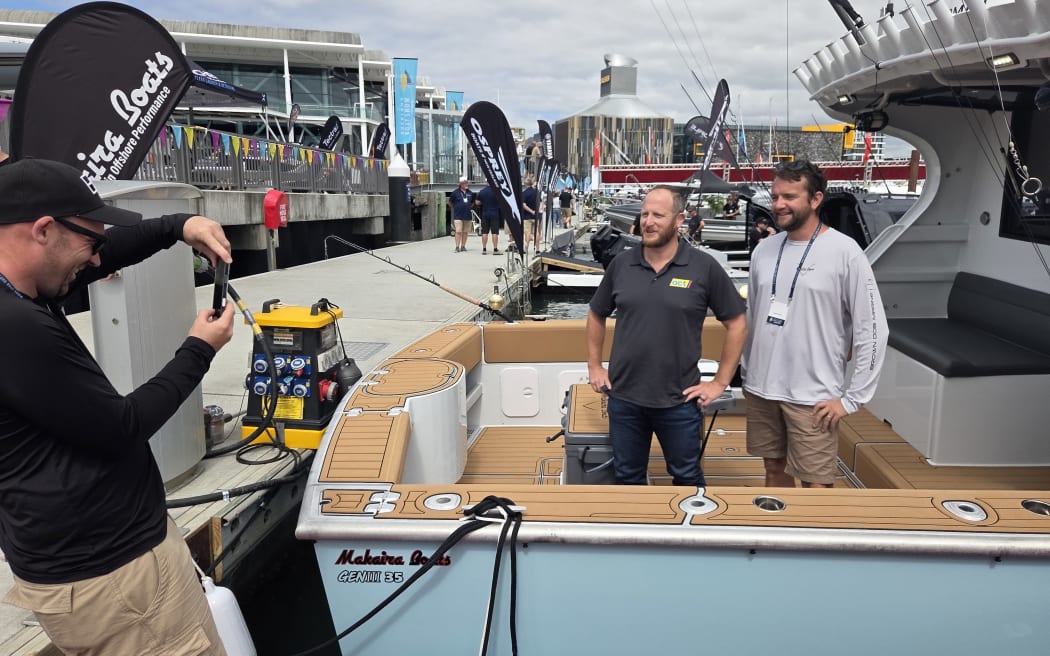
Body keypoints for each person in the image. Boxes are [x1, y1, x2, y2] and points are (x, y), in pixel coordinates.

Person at [0, 158, 235, 654]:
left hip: (93, 569)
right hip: (116, 582)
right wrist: (199, 350)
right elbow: (121, 426)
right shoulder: (17, 327)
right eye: (91, 241)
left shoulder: (22, 289)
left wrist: (177, 227)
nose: (95, 261)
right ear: (42, 230)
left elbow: (105, 256)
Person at [587, 185, 747, 486]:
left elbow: (737, 322)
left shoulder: (704, 267)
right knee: (627, 478)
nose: (648, 222)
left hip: (679, 400)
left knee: (687, 478)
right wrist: (595, 366)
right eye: (645, 214)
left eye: (658, 215)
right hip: (624, 398)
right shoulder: (622, 264)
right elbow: (596, 313)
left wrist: (720, 382)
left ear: (679, 220)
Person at [742, 160, 888, 488]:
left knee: (816, 484)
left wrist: (852, 399)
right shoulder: (764, 250)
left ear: (815, 199)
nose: (779, 204)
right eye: (775, 195)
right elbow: (753, 315)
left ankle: (809, 539)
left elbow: (874, 328)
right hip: (763, 389)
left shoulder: (845, 252)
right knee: (773, 471)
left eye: (790, 196)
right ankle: (776, 539)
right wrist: (748, 372)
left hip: (814, 397)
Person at [448, 176, 474, 253]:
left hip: (467, 215)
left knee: (465, 232)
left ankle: (463, 246)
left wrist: (468, 207)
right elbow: (450, 202)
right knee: (458, 231)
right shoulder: (455, 193)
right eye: (465, 182)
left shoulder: (470, 193)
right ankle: (457, 246)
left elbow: (472, 203)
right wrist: (455, 207)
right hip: (458, 215)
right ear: (461, 184)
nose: (467, 184)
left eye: (467, 182)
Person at [476, 182, 502, 255]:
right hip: (494, 214)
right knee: (495, 232)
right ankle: (495, 249)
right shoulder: (497, 191)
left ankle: (484, 249)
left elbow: (477, 202)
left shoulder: (482, 191)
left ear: (486, 182)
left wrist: (483, 202)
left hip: (485, 213)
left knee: (484, 232)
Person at [522, 177, 539, 252]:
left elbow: (524, 205)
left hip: (527, 216)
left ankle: (526, 248)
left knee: (527, 232)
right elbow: (541, 203)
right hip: (536, 216)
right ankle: (537, 249)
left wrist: (531, 211)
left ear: (525, 184)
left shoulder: (524, 193)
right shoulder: (536, 192)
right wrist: (537, 211)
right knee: (537, 232)